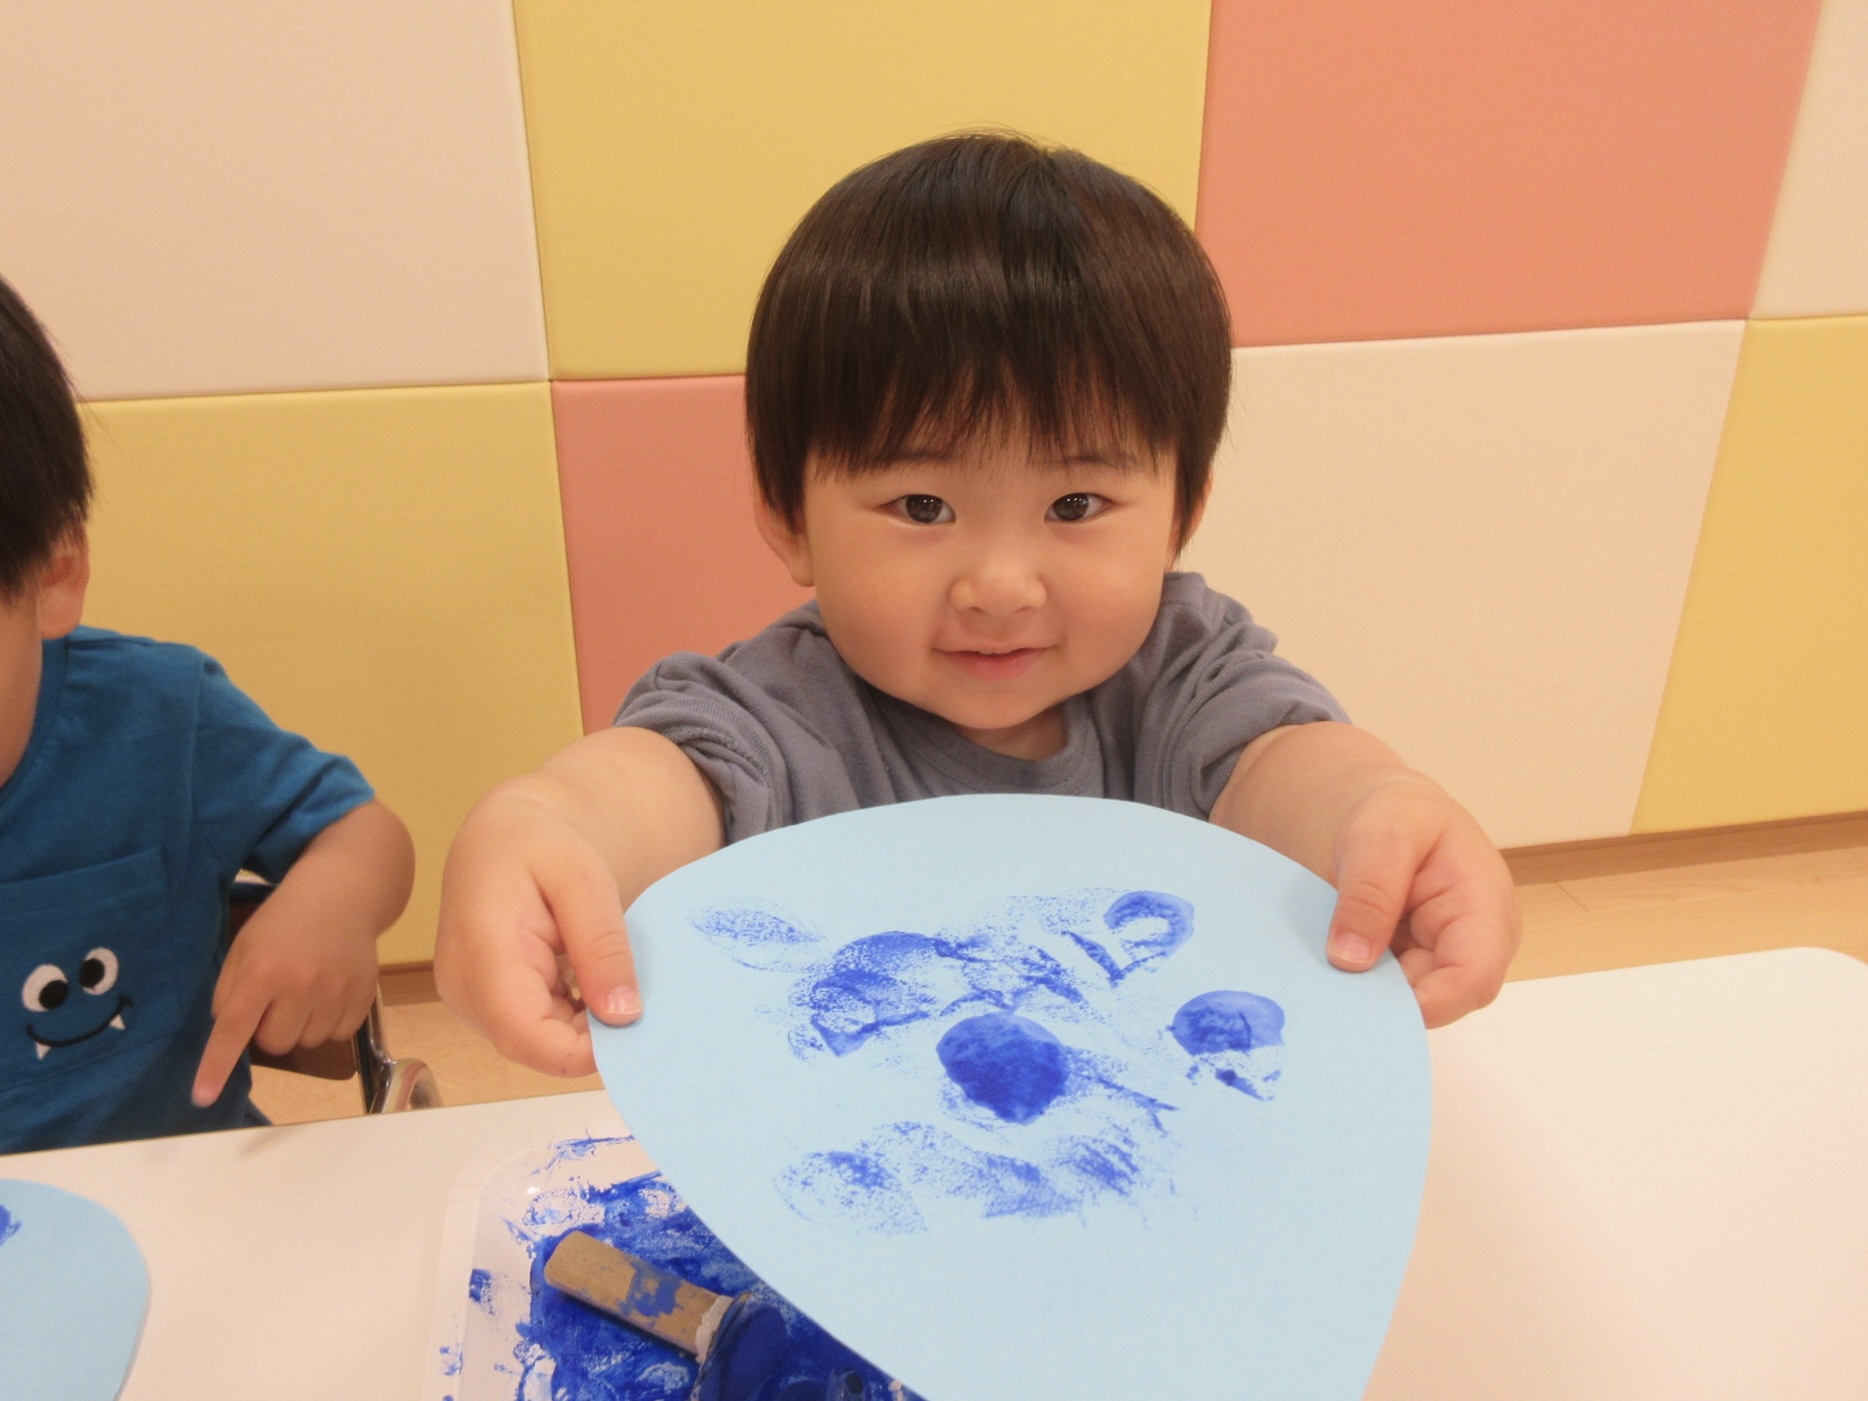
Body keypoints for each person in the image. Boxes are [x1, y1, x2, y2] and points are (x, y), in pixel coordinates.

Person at [436, 133, 1520, 1078]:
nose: (1000, 586)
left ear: (1180, 514)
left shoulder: (1183, 674)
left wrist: (1381, 806)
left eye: (1075, 504)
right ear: (787, 514)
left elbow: (1289, 763)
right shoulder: (779, 718)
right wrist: (545, 826)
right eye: (922, 505)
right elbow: (649, 786)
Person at [0, 272, 415, 1153]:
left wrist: (333, 898)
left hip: (190, 1196)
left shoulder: (158, 718)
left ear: (52, 575)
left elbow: (366, 834)